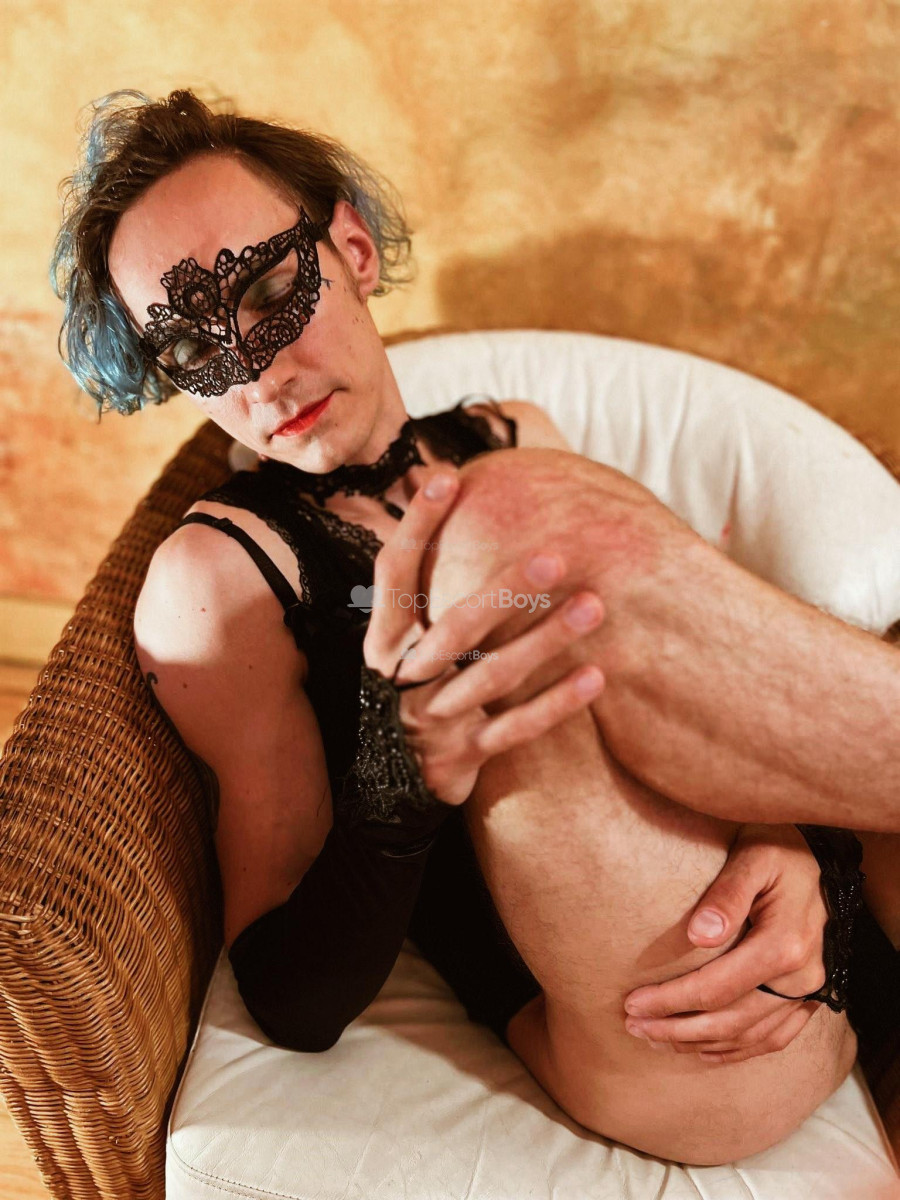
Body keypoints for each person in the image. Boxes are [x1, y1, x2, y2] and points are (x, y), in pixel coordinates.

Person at [50, 88, 899, 1166]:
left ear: (353, 249)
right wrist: (397, 777)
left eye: (268, 290)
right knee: (500, 519)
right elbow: (291, 999)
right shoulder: (219, 577)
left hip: (830, 907)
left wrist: (799, 851)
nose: (258, 375)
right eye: (190, 348)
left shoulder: (511, 433)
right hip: (688, 1018)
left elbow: (708, 683)